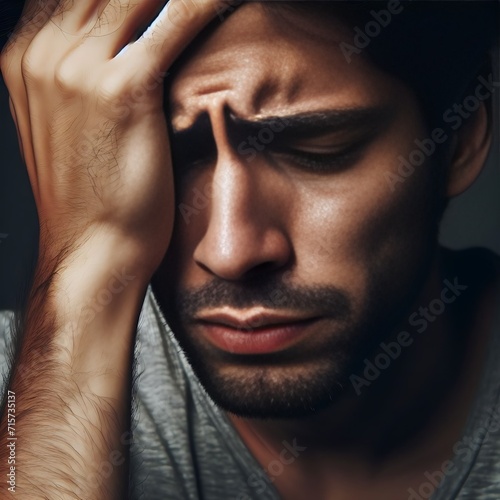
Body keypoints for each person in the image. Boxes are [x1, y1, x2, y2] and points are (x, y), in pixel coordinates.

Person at [0, 0, 499, 498]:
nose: (230, 252)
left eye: (315, 152)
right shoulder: (19, 404)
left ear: (458, 138)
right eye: (168, 163)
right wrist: (86, 255)